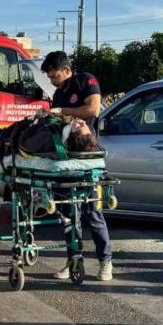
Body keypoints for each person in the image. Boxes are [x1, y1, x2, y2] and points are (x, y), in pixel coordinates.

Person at [40, 51, 114, 281]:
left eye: (55, 76)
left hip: (87, 158)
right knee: (69, 215)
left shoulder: (85, 80)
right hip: (65, 159)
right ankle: (74, 260)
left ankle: (105, 261)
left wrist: (64, 112)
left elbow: (93, 109)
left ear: (67, 70)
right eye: (51, 78)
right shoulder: (58, 93)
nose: (53, 81)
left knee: (93, 214)